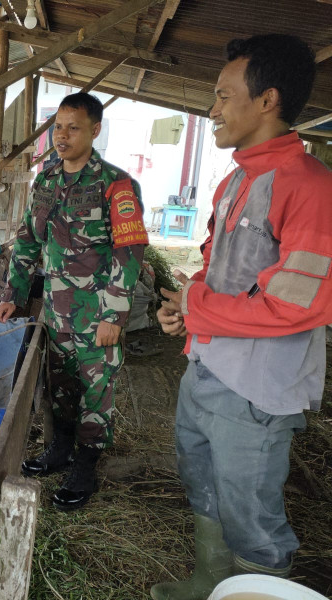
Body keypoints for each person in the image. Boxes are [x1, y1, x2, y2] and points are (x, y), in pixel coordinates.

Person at [152, 34, 331, 600]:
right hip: (205, 366)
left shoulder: (309, 188)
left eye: (224, 95)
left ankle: (260, 586)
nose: (214, 109)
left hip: (256, 389)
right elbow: (211, 268)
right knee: (203, 481)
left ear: (267, 100)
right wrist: (186, 314)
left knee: (251, 509)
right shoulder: (235, 181)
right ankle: (211, 579)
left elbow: (295, 304)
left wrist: (194, 306)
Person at [0, 91, 148, 511]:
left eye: (73, 127)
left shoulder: (115, 184)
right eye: (57, 127)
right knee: (60, 385)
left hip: (98, 313)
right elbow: (28, 239)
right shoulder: (45, 181)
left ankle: (85, 465)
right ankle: (60, 450)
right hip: (56, 310)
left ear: (95, 130)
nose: (61, 136)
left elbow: (129, 250)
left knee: (96, 390)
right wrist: (14, 292)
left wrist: (115, 315)